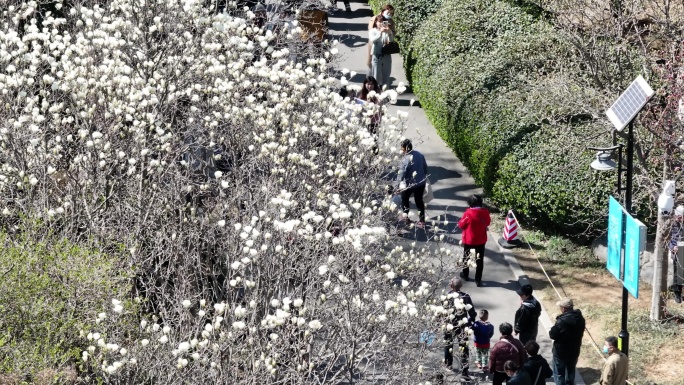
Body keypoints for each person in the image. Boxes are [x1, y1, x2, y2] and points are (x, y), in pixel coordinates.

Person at [443, 277, 477, 380]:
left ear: (451, 286)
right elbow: (472, 312)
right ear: (461, 286)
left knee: (448, 345)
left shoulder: (448, 296)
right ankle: (464, 371)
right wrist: (470, 323)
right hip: (462, 326)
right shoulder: (465, 296)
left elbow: (443, 312)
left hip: (449, 325)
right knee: (464, 348)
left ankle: (448, 365)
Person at [549, 298, 585, 385]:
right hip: (574, 350)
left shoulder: (561, 321)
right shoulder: (580, 319)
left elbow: (552, 335)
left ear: (564, 308)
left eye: (560, 307)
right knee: (571, 371)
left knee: (559, 373)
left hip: (561, 352)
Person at [458, 194, 491, 286]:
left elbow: (461, 225)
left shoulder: (468, 213)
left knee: (466, 257)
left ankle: (465, 275)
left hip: (469, 240)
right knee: (479, 260)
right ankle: (478, 279)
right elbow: (487, 222)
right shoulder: (485, 212)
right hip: (481, 240)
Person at [397, 139, 429, 228]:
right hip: (420, 183)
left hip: (409, 184)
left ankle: (406, 217)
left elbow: (401, 173)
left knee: (405, 200)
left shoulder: (406, 159)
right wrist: (424, 177)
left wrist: (397, 185)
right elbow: (425, 168)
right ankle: (422, 221)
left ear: (405, 148)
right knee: (419, 201)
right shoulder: (420, 154)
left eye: (402, 148)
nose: (401, 150)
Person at [366, 5, 395, 71]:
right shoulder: (375, 18)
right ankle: (370, 79)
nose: (389, 14)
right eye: (388, 13)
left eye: (391, 13)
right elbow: (371, 30)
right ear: (383, 11)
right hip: (375, 43)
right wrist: (379, 30)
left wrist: (389, 31)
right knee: (371, 63)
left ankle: (380, 77)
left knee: (384, 65)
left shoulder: (391, 21)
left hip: (385, 44)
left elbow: (393, 32)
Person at [368, 14, 394, 89]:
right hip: (377, 55)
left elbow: (391, 41)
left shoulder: (387, 31)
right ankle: (375, 94)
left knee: (386, 77)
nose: (381, 24)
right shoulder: (373, 31)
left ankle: (385, 95)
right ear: (376, 22)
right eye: (379, 22)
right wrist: (380, 32)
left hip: (386, 55)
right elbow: (373, 40)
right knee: (376, 76)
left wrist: (389, 32)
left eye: (383, 22)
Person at [669, 205, 684, 303]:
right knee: (677, 273)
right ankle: (677, 293)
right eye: (678, 217)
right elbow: (667, 239)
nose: (680, 219)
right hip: (677, 252)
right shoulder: (672, 224)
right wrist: (672, 247)